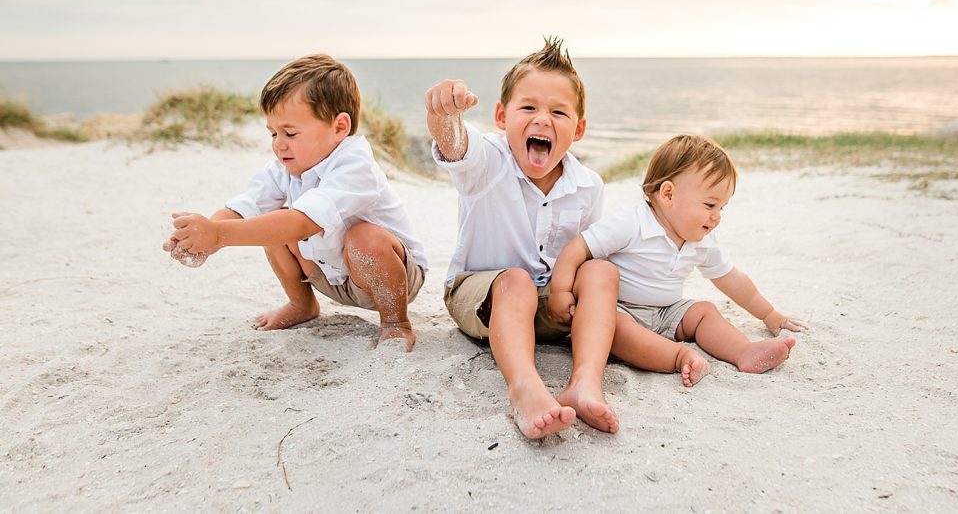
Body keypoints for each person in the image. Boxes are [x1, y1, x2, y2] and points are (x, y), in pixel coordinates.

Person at [163, 54, 428, 351]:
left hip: (390, 277)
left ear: (340, 127)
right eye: (274, 133)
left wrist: (220, 235)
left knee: (359, 237)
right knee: (271, 220)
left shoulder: (355, 167)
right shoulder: (286, 167)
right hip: (330, 275)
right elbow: (245, 207)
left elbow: (304, 222)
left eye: (290, 133)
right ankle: (301, 304)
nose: (279, 143)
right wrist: (206, 236)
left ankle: (396, 323)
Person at [424, 37, 620, 439]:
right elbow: (455, 143)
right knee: (516, 280)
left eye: (558, 112)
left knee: (600, 270)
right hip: (481, 297)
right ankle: (525, 388)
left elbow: (580, 258)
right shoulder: (488, 163)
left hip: (548, 304)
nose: (542, 119)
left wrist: (570, 290)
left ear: (579, 128)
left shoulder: (588, 186)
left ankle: (585, 382)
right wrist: (445, 113)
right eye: (528, 107)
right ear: (501, 115)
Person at [549, 134, 807, 386]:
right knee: (616, 328)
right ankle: (678, 356)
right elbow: (579, 247)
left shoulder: (701, 241)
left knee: (704, 311)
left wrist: (770, 314)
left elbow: (732, 279)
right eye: (709, 205)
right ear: (668, 195)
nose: (717, 216)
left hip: (666, 312)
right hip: (619, 309)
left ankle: (743, 351)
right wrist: (560, 290)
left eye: (722, 208)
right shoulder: (631, 223)